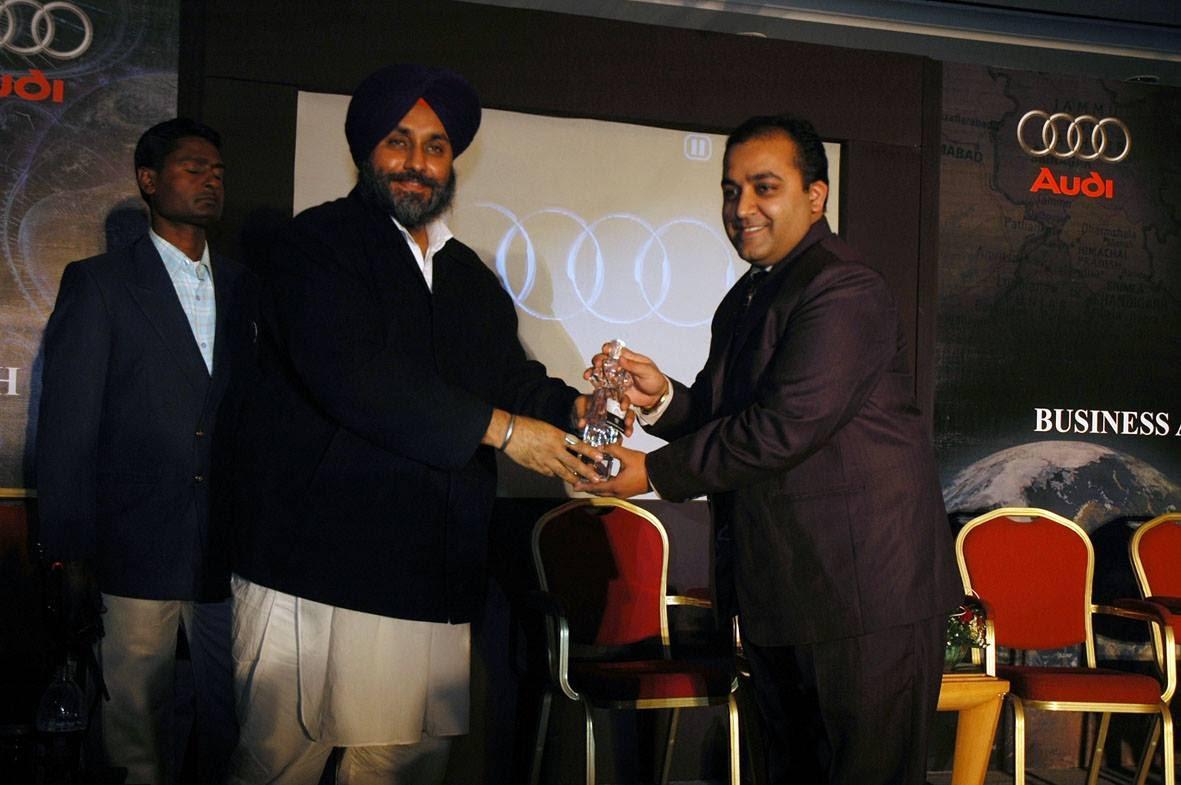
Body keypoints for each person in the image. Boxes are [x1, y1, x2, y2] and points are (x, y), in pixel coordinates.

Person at [225, 64, 602, 785]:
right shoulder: (317, 245)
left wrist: (571, 409)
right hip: (316, 564)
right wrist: (506, 431)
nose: (417, 162)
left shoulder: (467, 276)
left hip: (430, 570)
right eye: (398, 141)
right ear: (365, 150)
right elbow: (355, 377)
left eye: (435, 146)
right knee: (280, 764)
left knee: (402, 763)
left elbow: (508, 377)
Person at [578, 113, 961, 785]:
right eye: (731, 191)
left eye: (764, 187)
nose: (741, 208)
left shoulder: (843, 287)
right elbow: (726, 417)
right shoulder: (747, 298)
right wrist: (661, 397)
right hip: (785, 595)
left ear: (815, 196)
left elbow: (785, 426)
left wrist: (652, 471)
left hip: (862, 600)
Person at [36, 118, 252, 785]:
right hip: (132, 548)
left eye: (218, 170)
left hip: (231, 554)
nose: (211, 180)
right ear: (148, 180)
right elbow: (67, 428)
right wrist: (69, 553)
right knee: (132, 733)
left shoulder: (247, 285)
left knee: (239, 725)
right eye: (193, 167)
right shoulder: (99, 283)